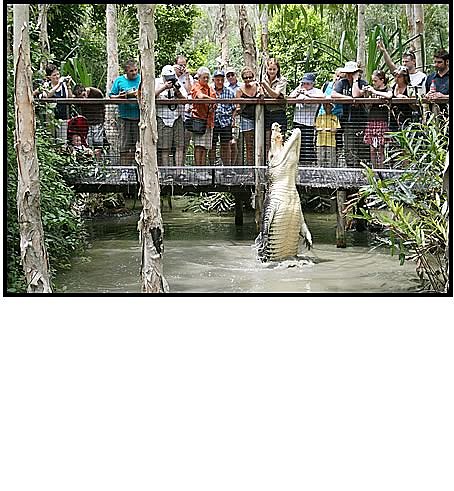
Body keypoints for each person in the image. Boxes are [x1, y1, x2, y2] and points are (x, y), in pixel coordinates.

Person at [331, 60, 368, 165]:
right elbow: (333, 94)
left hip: (362, 121)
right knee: (349, 148)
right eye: (347, 73)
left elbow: (356, 95)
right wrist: (348, 98)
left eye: (351, 73)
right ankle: (351, 169)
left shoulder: (362, 83)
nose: (348, 75)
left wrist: (356, 80)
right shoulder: (342, 83)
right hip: (348, 121)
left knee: (362, 149)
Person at [155, 65, 188, 169]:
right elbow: (150, 96)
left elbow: (185, 100)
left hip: (176, 117)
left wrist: (177, 91)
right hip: (162, 118)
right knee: (165, 147)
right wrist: (164, 87)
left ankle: (179, 171)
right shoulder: (156, 82)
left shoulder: (177, 82)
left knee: (179, 146)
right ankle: (166, 171)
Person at [289, 72, 325, 165]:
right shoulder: (298, 90)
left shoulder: (317, 91)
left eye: (308, 83)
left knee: (307, 145)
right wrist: (297, 91)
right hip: (297, 121)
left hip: (308, 123)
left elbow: (323, 97)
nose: (305, 85)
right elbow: (289, 98)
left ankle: (308, 164)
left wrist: (307, 95)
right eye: (304, 83)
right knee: (296, 144)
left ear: (313, 83)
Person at [109, 60, 141, 164]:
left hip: (139, 118)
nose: (134, 73)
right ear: (126, 71)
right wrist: (121, 96)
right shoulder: (119, 80)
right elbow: (111, 96)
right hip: (124, 117)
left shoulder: (142, 79)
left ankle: (138, 168)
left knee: (139, 145)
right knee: (125, 145)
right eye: (131, 71)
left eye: (136, 70)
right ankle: (124, 170)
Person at [362, 70, 392, 167]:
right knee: (372, 149)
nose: (374, 83)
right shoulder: (372, 90)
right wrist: (367, 94)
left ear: (382, 80)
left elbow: (389, 95)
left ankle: (382, 170)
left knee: (381, 149)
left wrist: (375, 91)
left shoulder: (387, 88)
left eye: (375, 81)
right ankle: (374, 170)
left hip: (382, 121)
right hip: (371, 120)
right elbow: (368, 106)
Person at [260, 58, 288, 158]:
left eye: (274, 69)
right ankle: (267, 163)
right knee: (267, 140)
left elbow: (275, 94)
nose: (272, 71)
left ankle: (280, 163)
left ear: (278, 69)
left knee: (279, 140)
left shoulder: (282, 80)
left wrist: (265, 85)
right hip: (266, 112)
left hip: (278, 112)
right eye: (270, 69)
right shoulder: (262, 78)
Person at [208, 70, 236, 166]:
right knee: (212, 145)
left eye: (221, 80)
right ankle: (212, 168)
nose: (220, 82)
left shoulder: (230, 92)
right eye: (217, 80)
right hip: (213, 121)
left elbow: (234, 108)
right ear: (214, 80)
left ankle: (226, 168)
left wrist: (232, 119)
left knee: (225, 145)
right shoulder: (209, 90)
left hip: (225, 122)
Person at [235, 67, 262, 166]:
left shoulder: (258, 86)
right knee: (249, 145)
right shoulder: (239, 89)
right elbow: (237, 106)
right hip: (246, 118)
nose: (248, 79)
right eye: (246, 77)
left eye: (250, 77)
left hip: (259, 118)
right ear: (243, 78)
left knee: (260, 143)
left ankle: (260, 166)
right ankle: (251, 168)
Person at [190, 67, 216, 166]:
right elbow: (200, 96)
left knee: (205, 147)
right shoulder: (196, 86)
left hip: (209, 121)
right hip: (198, 121)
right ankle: (198, 169)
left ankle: (204, 169)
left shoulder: (210, 88)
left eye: (207, 77)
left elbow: (215, 102)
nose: (206, 79)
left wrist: (212, 102)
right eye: (204, 77)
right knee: (198, 146)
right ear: (199, 77)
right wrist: (211, 100)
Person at [42, 64, 73, 144]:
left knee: (62, 141)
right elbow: (46, 96)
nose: (57, 77)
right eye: (54, 75)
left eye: (58, 74)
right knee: (50, 140)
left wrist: (68, 86)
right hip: (51, 118)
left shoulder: (64, 86)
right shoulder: (46, 85)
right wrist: (58, 84)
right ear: (49, 77)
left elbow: (70, 98)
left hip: (63, 117)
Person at [73, 84, 105, 158]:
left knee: (98, 145)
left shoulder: (96, 93)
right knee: (88, 146)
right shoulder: (77, 98)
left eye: (84, 95)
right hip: (86, 124)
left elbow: (103, 106)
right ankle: (90, 164)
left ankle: (98, 164)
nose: (84, 98)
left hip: (98, 122)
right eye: (81, 98)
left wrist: (103, 120)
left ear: (85, 90)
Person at [319, 68, 344, 158]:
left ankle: (335, 161)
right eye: (337, 76)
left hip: (336, 117)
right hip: (323, 116)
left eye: (341, 78)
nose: (338, 79)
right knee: (322, 140)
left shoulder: (342, 87)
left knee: (336, 140)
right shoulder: (326, 85)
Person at [174, 55, 194, 164]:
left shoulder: (189, 78)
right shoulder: (171, 75)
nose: (182, 67)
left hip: (187, 116)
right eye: (180, 65)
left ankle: (182, 167)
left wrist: (186, 77)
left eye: (184, 65)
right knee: (175, 144)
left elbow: (190, 92)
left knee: (185, 143)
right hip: (174, 115)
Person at [315, 103, 341, 167]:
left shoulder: (335, 117)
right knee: (320, 161)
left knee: (331, 162)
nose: (327, 108)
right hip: (320, 142)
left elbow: (337, 129)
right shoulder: (319, 117)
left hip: (331, 143)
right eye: (325, 106)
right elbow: (316, 128)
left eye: (329, 106)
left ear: (332, 108)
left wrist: (329, 130)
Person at [389, 66, 415, 131]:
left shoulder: (410, 88)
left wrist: (407, 100)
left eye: (399, 77)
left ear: (405, 77)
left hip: (407, 119)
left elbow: (416, 107)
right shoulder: (392, 87)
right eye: (395, 76)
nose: (396, 79)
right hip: (393, 120)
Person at [425, 49, 449, 113]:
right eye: (435, 62)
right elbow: (425, 94)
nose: (436, 64)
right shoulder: (430, 77)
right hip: (433, 115)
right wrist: (427, 95)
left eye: (439, 62)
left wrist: (444, 96)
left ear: (447, 62)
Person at [225, 67, 241, 165]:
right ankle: (227, 166)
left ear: (236, 75)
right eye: (228, 75)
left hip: (238, 116)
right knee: (226, 143)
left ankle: (234, 166)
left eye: (232, 75)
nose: (231, 77)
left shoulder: (241, 86)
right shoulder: (224, 87)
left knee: (235, 142)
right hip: (226, 117)